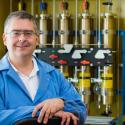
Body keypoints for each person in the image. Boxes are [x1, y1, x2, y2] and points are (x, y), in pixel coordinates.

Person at [0, 11, 87, 125]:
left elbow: (81, 109)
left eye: (28, 33)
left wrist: (61, 103)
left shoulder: (53, 74)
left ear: (37, 39)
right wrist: (44, 111)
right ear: (5, 39)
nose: (22, 38)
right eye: (16, 33)